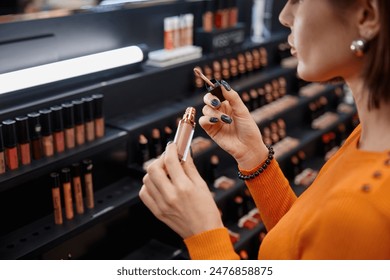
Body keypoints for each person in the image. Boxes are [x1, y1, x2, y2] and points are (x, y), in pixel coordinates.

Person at [139, 0, 390, 259]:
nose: (283, 16)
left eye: (297, 0)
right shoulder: (369, 135)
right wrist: (254, 157)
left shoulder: (367, 212)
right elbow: (302, 244)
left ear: (366, 16)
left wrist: (203, 233)